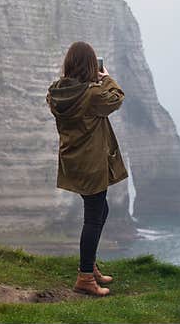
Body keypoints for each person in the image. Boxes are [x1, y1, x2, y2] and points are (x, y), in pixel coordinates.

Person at [45, 41, 129, 296]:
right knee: (93, 217)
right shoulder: (92, 95)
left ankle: (89, 264)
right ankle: (84, 278)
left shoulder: (56, 93)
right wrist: (106, 78)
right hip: (92, 164)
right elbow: (117, 99)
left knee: (100, 209)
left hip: (73, 161)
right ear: (92, 65)